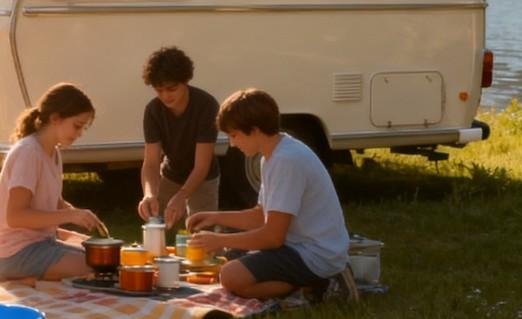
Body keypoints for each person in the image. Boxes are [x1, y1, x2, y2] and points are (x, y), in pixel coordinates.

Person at [186, 88, 358, 301]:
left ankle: (321, 285)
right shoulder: (273, 156)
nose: (232, 143)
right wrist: (214, 216)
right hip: (298, 246)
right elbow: (261, 215)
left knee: (231, 276)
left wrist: (218, 239)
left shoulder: (286, 161)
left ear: (255, 130)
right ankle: (305, 287)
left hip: (316, 254)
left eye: (234, 135)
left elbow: (273, 237)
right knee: (230, 259)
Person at [0, 83, 107, 281]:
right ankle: (20, 275)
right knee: (99, 267)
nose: (79, 134)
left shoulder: (53, 152)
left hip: (42, 243)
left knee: (104, 259)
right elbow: (16, 216)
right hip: (16, 253)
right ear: (55, 119)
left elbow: (52, 200)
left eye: (83, 128)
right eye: (77, 126)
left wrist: (79, 214)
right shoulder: (28, 153)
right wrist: (69, 215)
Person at [137, 46, 220, 228]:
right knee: (156, 228)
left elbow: (201, 166)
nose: (165, 96)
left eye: (171, 89)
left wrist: (182, 195)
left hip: (203, 178)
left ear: (185, 81)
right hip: (171, 174)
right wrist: (149, 194)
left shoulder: (207, 106)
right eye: (159, 90)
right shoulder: (153, 110)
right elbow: (151, 162)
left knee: (202, 235)